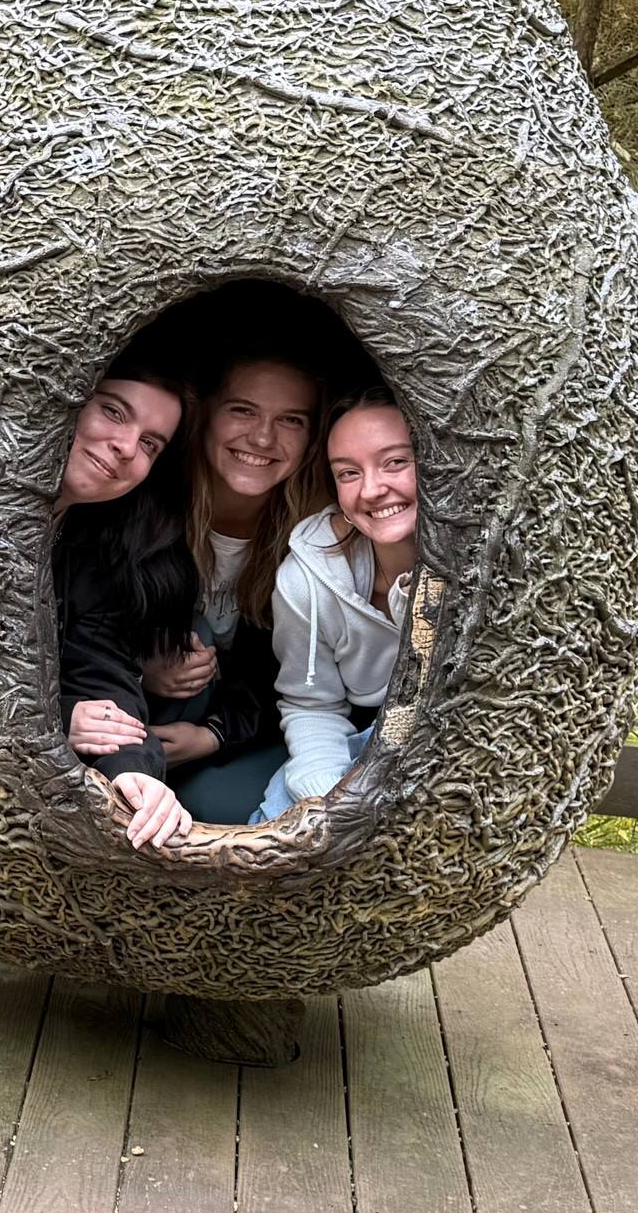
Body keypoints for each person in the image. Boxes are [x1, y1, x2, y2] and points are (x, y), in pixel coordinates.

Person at [71, 352, 326, 840]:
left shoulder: (316, 539)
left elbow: (307, 683)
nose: (263, 438)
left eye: (290, 420)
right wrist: (144, 667)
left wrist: (214, 735)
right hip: (133, 721)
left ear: (312, 438)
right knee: (194, 631)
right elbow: (88, 639)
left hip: (242, 730)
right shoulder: (136, 504)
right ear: (203, 414)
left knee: (217, 808)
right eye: (242, 410)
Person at [250, 393, 420, 822]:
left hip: (440, 743)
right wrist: (325, 800)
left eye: (395, 462)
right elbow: (312, 704)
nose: (372, 489)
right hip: (355, 740)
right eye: (349, 472)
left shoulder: (479, 570)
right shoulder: (307, 577)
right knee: (277, 826)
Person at [50, 357, 198, 850]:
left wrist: (134, 771)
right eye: (113, 412)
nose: (126, 447)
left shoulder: (90, 539)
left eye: (151, 443)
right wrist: (56, 716)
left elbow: (99, 664)